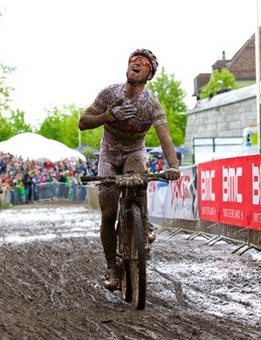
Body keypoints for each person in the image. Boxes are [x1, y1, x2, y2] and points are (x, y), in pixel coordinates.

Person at [78, 48, 181, 291]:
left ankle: (142, 223)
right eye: (133, 60)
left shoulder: (151, 103)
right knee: (108, 213)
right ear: (127, 67)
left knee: (137, 177)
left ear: (149, 75)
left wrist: (174, 166)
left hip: (134, 152)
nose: (136, 63)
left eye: (143, 63)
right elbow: (83, 123)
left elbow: (165, 137)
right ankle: (112, 268)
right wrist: (108, 115)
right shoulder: (109, 93)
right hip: (109, 155)